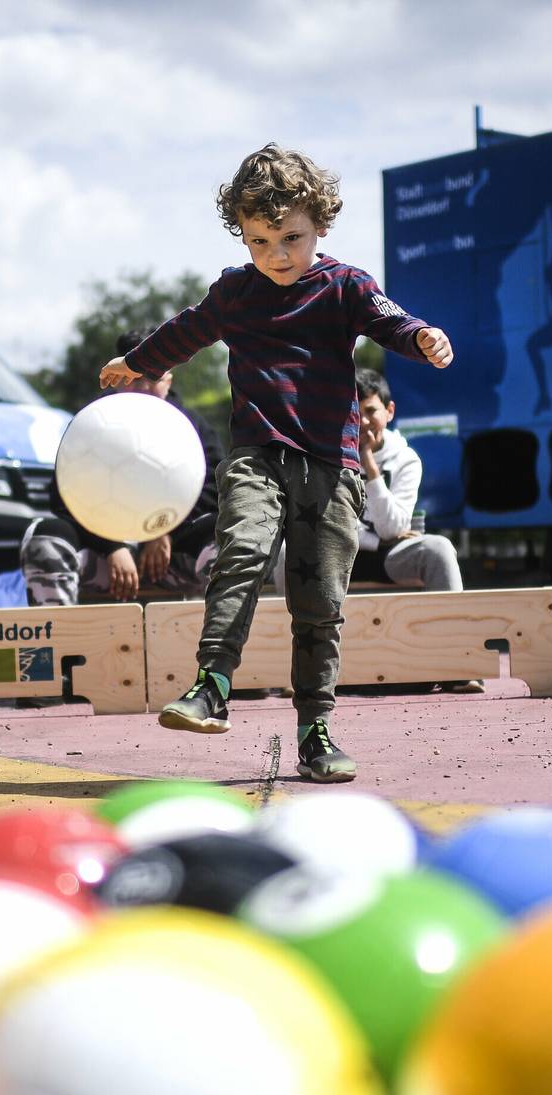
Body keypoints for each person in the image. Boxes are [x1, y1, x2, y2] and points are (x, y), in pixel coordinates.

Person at [101, 144, 453, 782]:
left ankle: (315, 729)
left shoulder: (344, 286)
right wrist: (140, 363)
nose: (277, 256)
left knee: (319, 603)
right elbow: (187, 328)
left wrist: (422, 337)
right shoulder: (237, 292)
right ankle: (211, 685)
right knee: (240, 553)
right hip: (257, 455)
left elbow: (387, 319)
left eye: (291, 238)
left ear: (320, 222)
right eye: (260, 242)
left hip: (332, 466)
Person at [23, 328, 224, 606]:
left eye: (153, 377)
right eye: (132, 378)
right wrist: (112, 547)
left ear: (169, 379)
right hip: (101, 559)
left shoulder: (193, 427)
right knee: (44, 536)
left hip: (173, 558)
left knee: (230, 533)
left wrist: (162, 528)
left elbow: (217, 489)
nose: (142, 388)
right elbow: (63, 496)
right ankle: (62, 645)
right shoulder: (89, 425)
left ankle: (221, 643)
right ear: (115, 378)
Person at [353, 367, 482, 694]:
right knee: (289, 550)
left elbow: (394, 525)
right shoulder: (330, 455)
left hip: (391, 555)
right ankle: (289, 670)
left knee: (438, 548)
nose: (363, 422)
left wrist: (369, 466)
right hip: (341, 554)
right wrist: (375, 538)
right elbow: (332, 524)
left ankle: (454, 664)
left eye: (371, 411)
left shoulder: (406, 459)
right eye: (355, 413)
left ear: (389, 411)